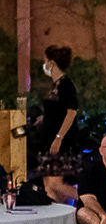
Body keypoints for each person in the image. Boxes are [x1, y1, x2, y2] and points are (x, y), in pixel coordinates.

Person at [32, 46, 80, 202]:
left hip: (60, 142)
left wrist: (59, 137)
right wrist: (44, 119)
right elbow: (57, 111)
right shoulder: (55, 85)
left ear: (51, 63)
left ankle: (89, 198)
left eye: (45, 60)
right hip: (49, 140)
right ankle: (59, 214)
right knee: (49, 185)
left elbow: (71, 112)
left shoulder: (65, 85)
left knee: (55, 183)